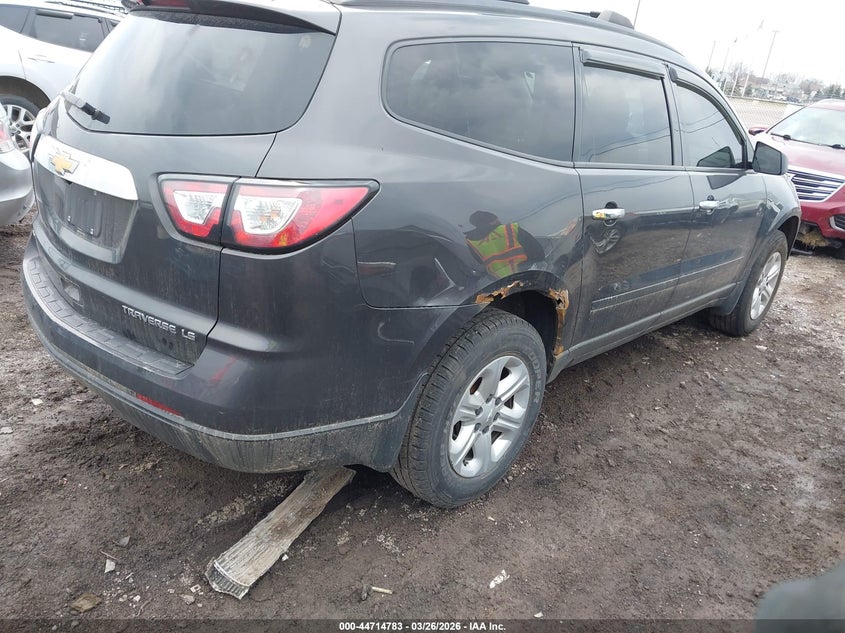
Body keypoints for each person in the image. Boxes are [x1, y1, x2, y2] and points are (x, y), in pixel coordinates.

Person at [464, 211, 544, 279]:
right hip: (529, 273)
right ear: (491, 221)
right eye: (496, 219)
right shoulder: (509, 229)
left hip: (501, 282)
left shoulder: (472, 242)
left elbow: (479, 260)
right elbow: (537, 250)